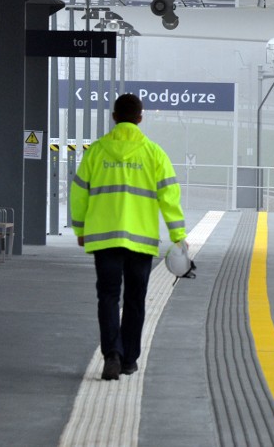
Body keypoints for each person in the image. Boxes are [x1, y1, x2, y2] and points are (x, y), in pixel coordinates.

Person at [71, 93, 186, 381]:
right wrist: (178, 235)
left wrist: (80, 229)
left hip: (104, 239)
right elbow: (169, 196)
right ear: (140, 118)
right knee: (136, 299)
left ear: (113, 117)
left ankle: (112, 353)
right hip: (141, 240)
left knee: (108, 296)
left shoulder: (96, 151)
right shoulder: (154, 153)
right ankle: (129, 359)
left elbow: (79, 192)